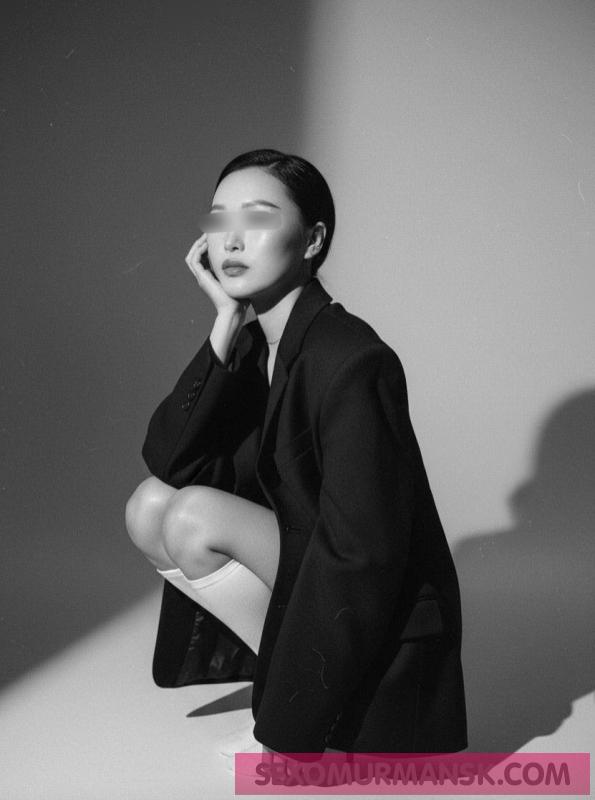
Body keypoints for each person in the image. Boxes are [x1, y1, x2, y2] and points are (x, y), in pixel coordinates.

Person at [125, 148, 467, 760]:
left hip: (373, 605)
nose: (231, 240)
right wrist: (224, 322)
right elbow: (170, 460)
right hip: (316, 571)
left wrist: (291, 731)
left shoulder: (351, 358)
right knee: (151, 505)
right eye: (218, 220)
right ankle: (287, 690)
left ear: (312, 240)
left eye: (257, 218)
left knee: (192, 515)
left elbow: (363, 555)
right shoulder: (259, 344)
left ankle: (310, 710)